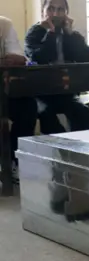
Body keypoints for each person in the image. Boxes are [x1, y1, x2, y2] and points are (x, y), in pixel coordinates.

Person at [24, 0, 89, 134]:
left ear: (66, 13)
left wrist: (70, 34)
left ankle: (81, 150)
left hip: (66, 91)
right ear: (43, 11)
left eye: (60, 9)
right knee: (48, 118)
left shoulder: (70, 34)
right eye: (51, 9)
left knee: (84, 114)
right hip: (41, 92)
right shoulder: (35, 32)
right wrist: (50, 33)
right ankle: (61, 150)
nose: (55, 14)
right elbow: (39, 57)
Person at [0, 16, 38, 184]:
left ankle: (15, 160)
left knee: (27, 106)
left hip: (3, 89)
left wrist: (16, 58)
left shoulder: (4, 24)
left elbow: (16, 53)